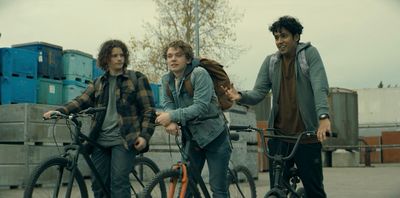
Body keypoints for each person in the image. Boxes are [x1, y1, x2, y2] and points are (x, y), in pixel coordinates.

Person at [223, 16, 331, 198]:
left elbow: (320, 87)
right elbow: (258, 92)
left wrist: (323, 117)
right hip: (279, 136)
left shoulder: (309, 54)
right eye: (276, 37)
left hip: (306, 137)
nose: (279, 41)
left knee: (314, 191)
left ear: (296, 37)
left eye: (284, 36)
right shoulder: (271, 62)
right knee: (277, 190)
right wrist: (240, 96)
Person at [43, 39, 156, 198]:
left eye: (121, 55)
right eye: (114, 55)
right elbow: (80, 101)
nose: (119, 59)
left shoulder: (136, 78)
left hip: (124, 139)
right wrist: (59, 111)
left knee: (118, 182)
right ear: (106, 59)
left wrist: (145, 136)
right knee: (98, 184)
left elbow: (149, 110)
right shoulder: (98, 83)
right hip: (99, 141)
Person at [155, 40, 231, 197]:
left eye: (178, 55)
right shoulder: (166, 79)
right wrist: (171, 120)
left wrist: (171, 116)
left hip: (215, 136)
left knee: (218, 189)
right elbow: (167, 103)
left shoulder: (199, 74)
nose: (173, 59)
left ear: (188, 59)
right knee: (187, 187)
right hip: (192, 138)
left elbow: (200, 107)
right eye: (169, 56)